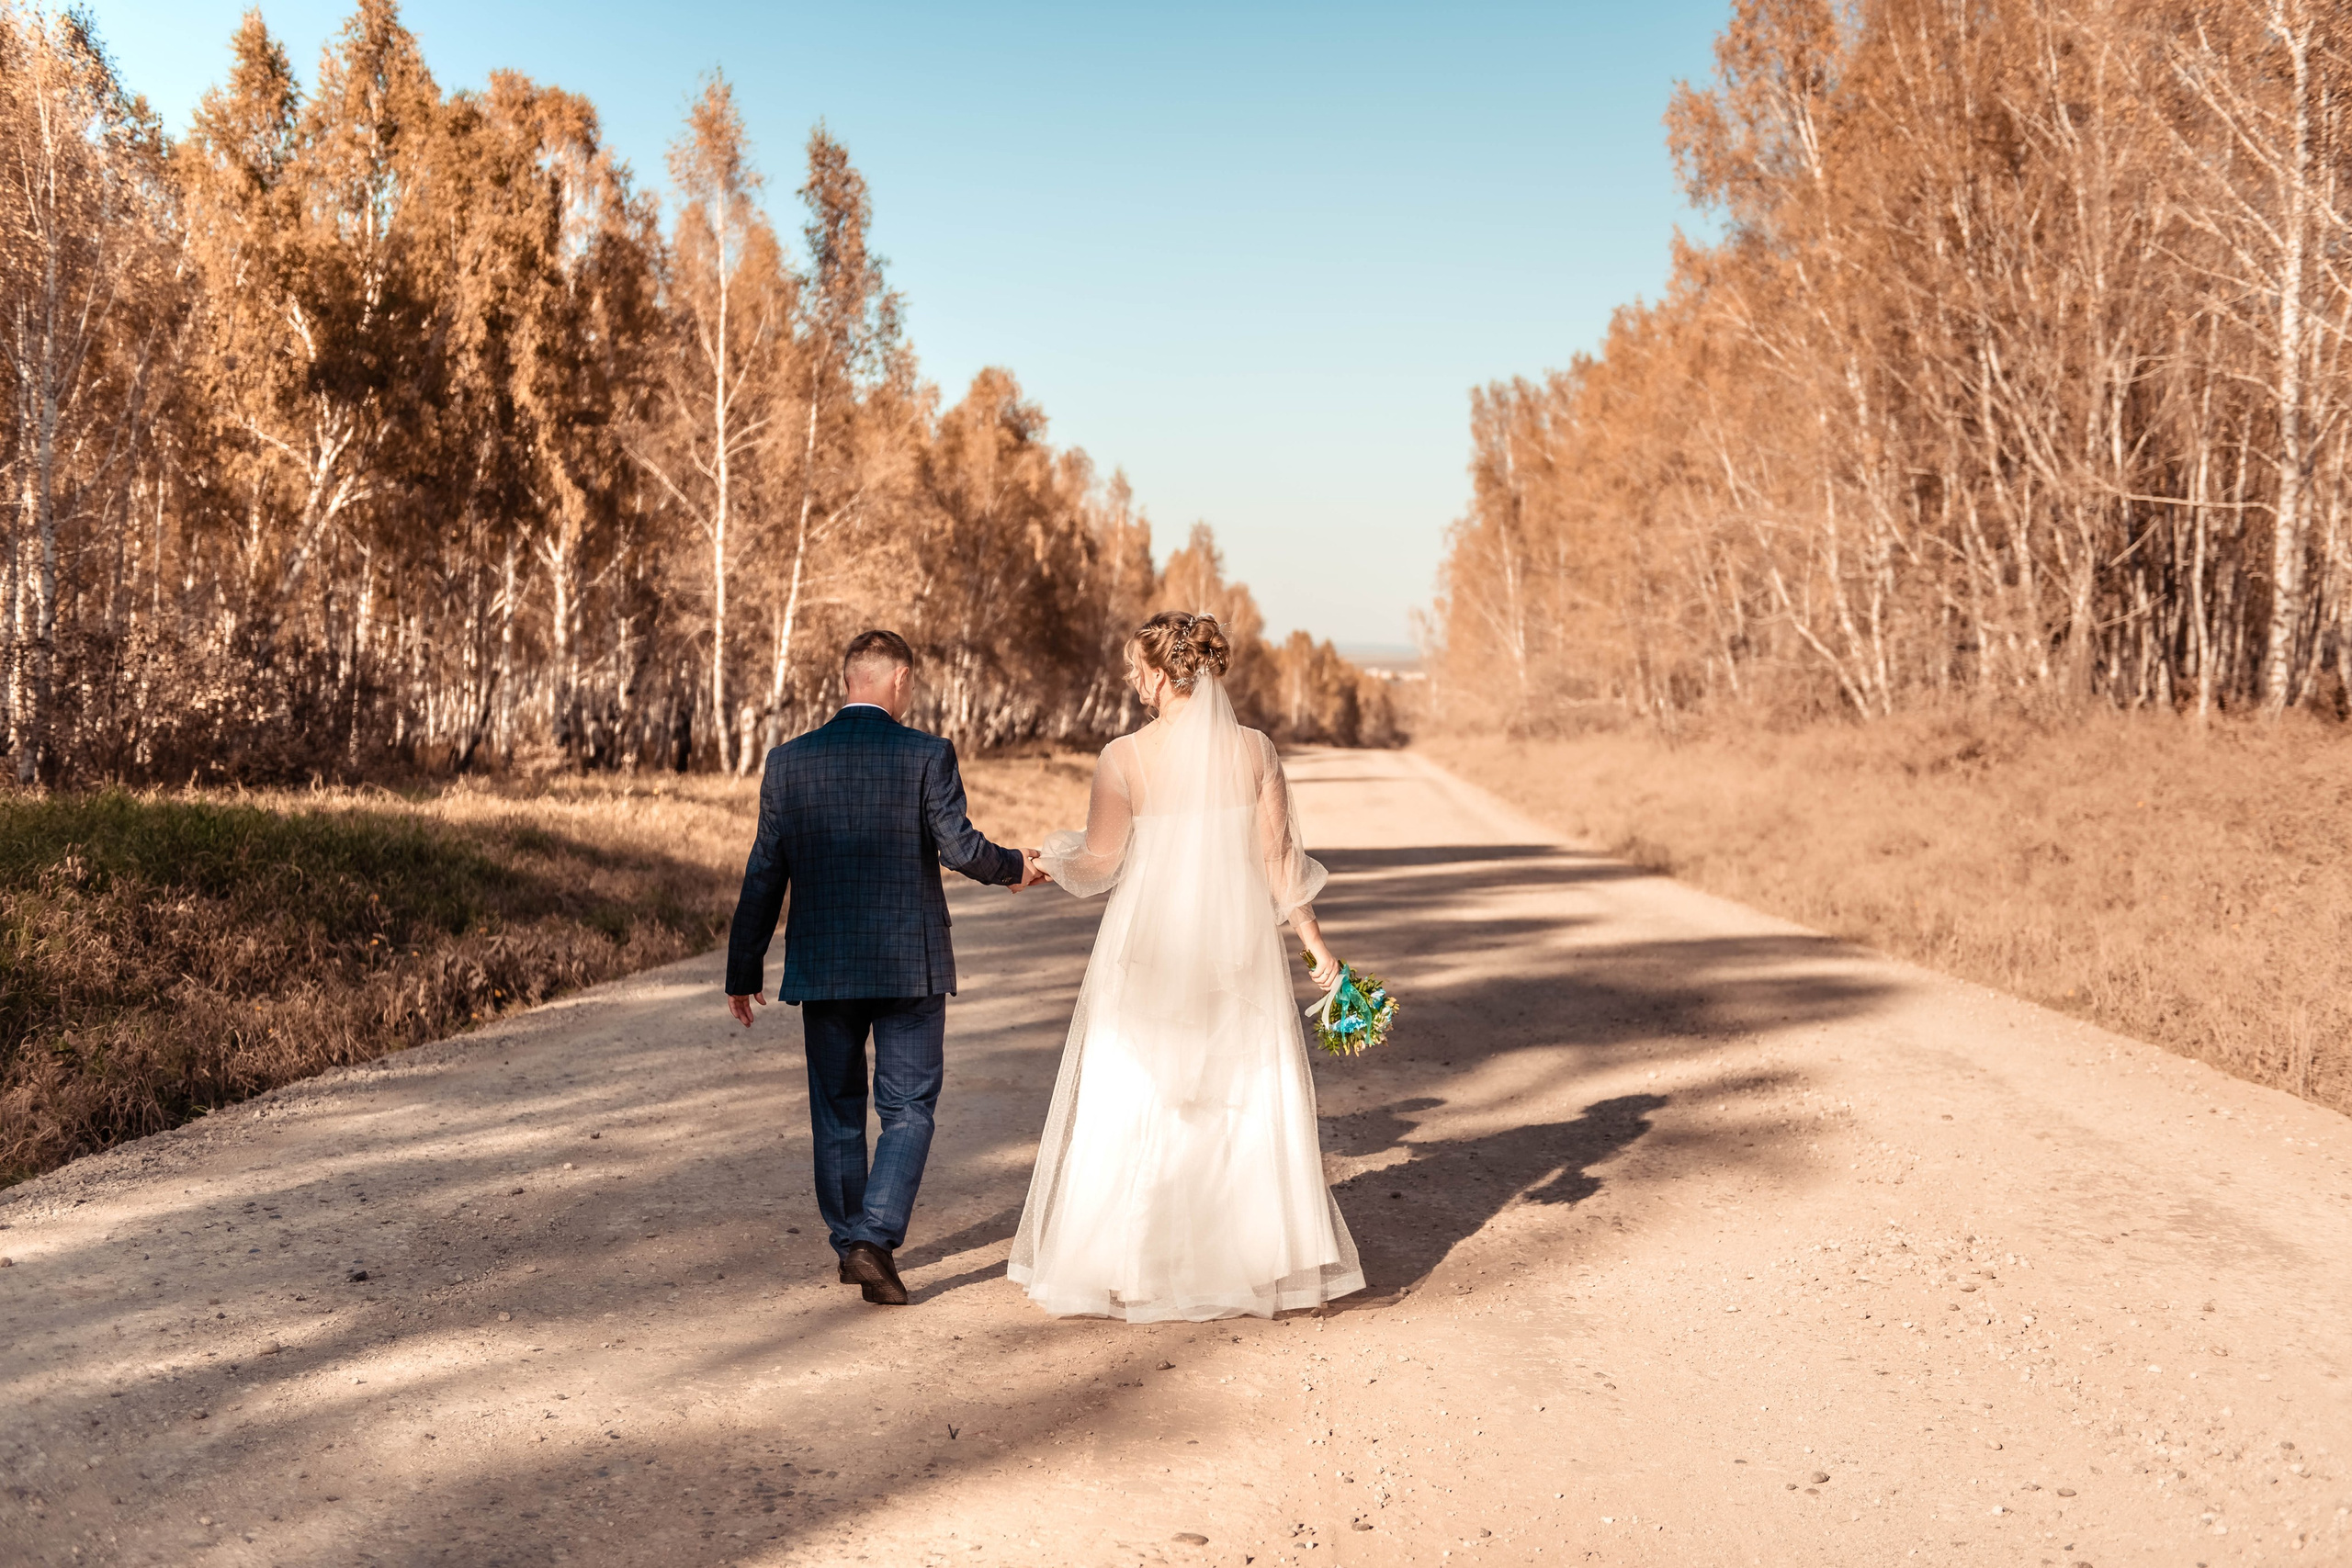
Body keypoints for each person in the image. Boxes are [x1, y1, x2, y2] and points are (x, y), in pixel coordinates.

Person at [1008, 611, 1365, 1321]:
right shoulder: (1255, 751)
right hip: (1236, 947)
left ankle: (1131, 1263)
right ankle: (1247, 1259)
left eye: (1133, 668)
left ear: (1156, 674)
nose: (1130, 680)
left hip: (1147, 943)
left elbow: (1101, 861)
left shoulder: (1124, 758)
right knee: (1234, 1089)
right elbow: (1279, 863)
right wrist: (1317, 948)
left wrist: (1043, 861)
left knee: (1143, 1088)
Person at [725, 628, 1048, 1306]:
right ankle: (874, 1238)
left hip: (825, 966)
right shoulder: (927, 753)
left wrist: (743, 968)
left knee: (836, 1109)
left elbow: (765, 869)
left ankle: (853, 1240)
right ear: (899, 678)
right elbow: (960, 848)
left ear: (850, 680)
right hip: (909, 964)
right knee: (908, 1108)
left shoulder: (788, 761)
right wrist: (1016, 866)